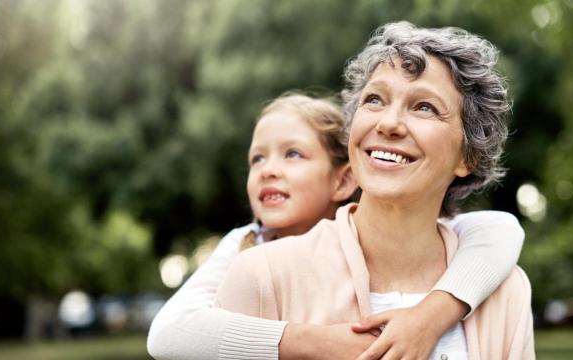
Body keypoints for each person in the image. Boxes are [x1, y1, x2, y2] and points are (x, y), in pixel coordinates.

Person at [215, 22, 534, 360]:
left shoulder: (505, 292)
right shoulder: (261, 277)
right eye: (375, 100)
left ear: (467, 156)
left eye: (424, 106)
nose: (388, 123)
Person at [148, 92, 525, 360]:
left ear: (343, 181)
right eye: (256, 158)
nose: (268, 170)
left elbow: (500, 229)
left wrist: (430, 316)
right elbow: (169, 333)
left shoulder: (397, 238)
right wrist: (314, 342)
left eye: (293, 154)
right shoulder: (246, 245)